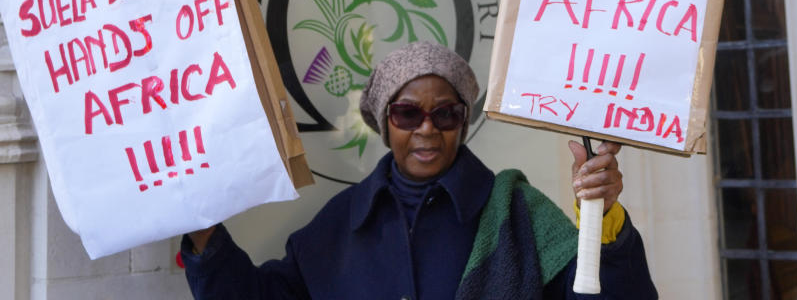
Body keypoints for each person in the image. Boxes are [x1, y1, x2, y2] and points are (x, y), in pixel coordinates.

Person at [180, 41, 657, 299]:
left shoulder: (518, 215)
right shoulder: (338, 225)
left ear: (463, 121)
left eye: (445, 114)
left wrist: (603, 219)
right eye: (408, 114)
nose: (427, 129)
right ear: (386, 123)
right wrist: (203, 231)